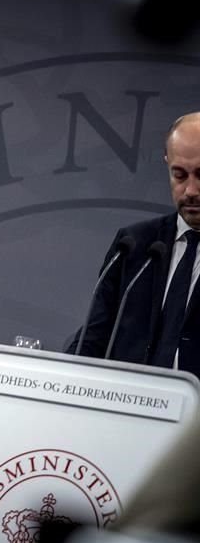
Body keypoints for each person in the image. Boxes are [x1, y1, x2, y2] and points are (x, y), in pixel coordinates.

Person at [68, 112, 199, 374]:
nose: (191, 191)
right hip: (129, 407)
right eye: (180, 175)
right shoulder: (135, 245)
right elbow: (94, 338)